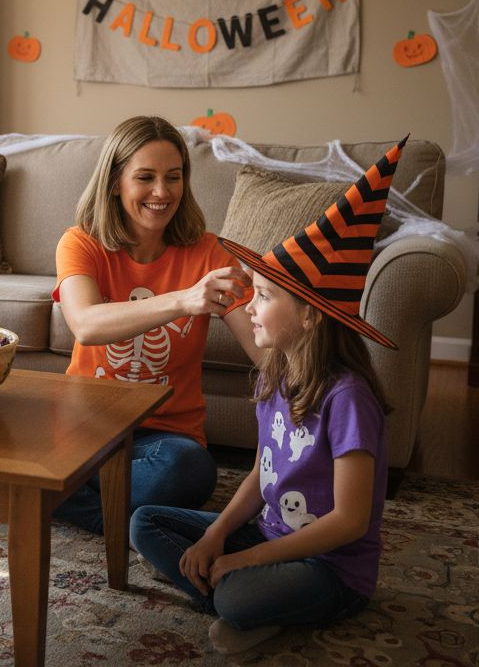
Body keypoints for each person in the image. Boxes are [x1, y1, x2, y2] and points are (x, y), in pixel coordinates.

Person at [130, 136, 407, 654]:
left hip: (329, 566)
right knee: (146, 522)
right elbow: (263, 473)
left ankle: (239, 598)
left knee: (235, 594)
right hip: (270, 535)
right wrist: (217, 538)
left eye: (263, 295)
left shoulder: (348, 398)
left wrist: (245, 561)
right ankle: (242, 594)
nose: (248, 307)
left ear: (309, 314)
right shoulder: (273, 374)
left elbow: (350, 521)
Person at [53, 116, 262, 535]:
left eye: (174, 177)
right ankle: (145, 521)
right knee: (12, 449)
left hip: (167, 438)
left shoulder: (210, 254)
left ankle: (68, 498)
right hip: (86, 427)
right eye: (145, 177)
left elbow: (264, 348)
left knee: (188, 470)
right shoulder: (81, 242)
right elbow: (86, 325)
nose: (162, 193)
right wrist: (185, 300)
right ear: (115, 183)